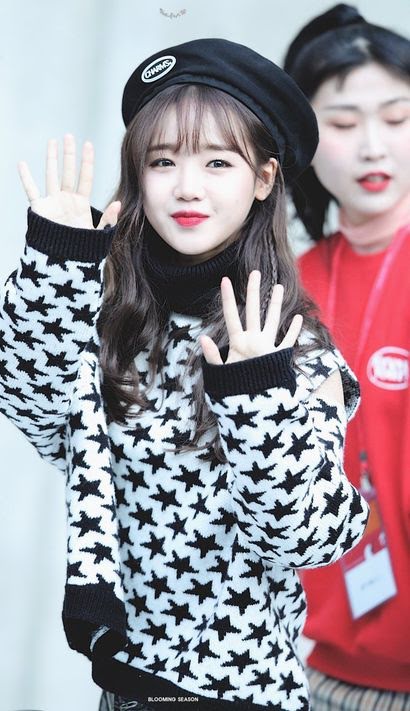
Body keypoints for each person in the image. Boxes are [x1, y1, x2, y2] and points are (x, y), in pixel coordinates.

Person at [0, 38, 368, 711]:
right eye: (163, 161)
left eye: (217, 161)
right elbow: (20, 390)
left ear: (263, 179)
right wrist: (57, 262)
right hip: (123, 690)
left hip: (237, 697)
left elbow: (307, 535)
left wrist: (257, 395)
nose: (187, 186)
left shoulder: (290, 350)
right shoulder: (113, 326)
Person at [284, 5, 410, 709]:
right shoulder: (279, 291)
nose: (372, 147)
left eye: (397, 118)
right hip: (317, 677)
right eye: (341, 122)